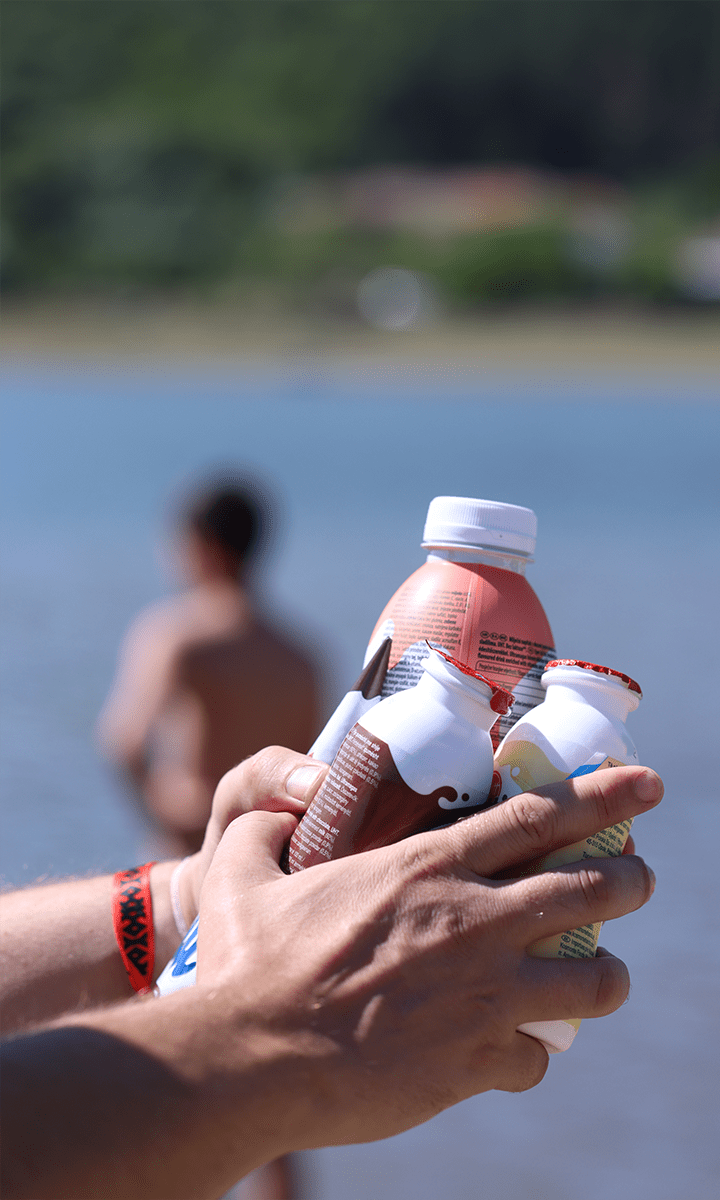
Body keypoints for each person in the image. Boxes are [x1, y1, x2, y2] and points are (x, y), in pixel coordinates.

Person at [0, 745, 662, 1200]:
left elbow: (123, 736)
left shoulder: (176, 635)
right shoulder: (293, 652)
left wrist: (188, 903)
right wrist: (278, 1033)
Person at [96, 471, 324, 860]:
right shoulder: (303, 658)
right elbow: (311, 772)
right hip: (267, 856)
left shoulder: (176, 636)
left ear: (202, 544)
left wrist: (167, 825)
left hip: (191, 849)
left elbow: (123, 742)